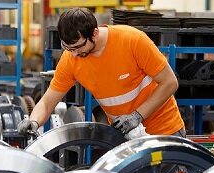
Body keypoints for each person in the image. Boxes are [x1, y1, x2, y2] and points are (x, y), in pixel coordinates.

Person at [18, 7, 185, 138]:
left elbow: (170, 82)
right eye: (67, 47)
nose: (74, 53)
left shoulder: (132, 40)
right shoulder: (70, 58)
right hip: (126, 136)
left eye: (78, 47)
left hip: (164, 131)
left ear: (95, 33)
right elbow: (47, 102)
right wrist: (33, 121)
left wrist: (137, 116)